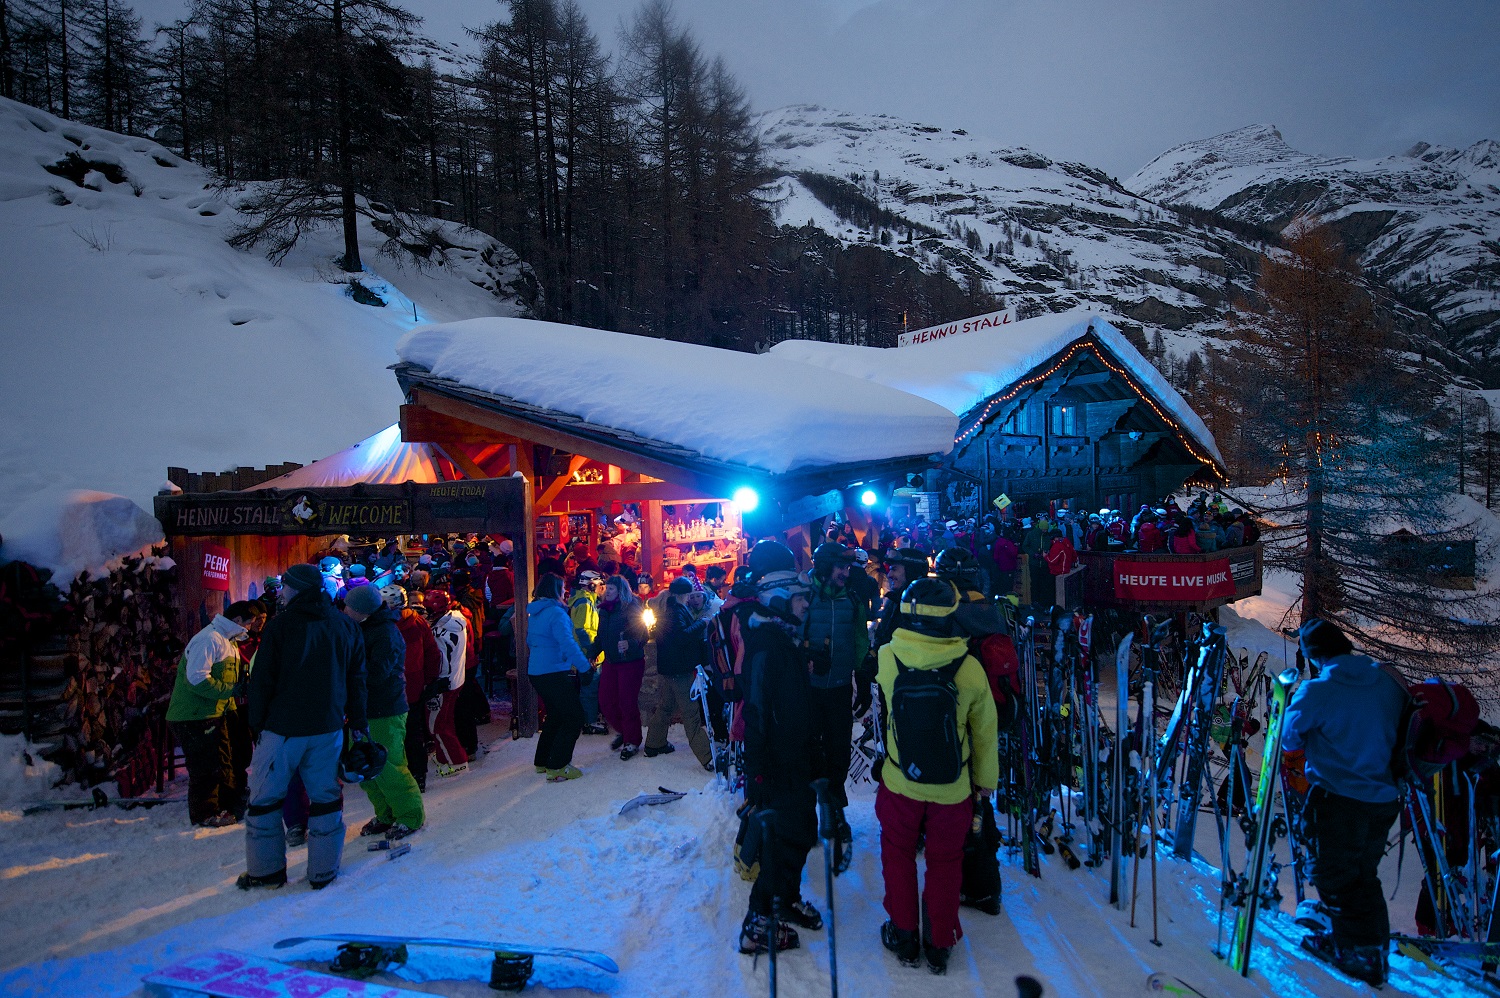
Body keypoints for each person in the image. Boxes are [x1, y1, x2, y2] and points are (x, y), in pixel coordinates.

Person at [875, 577, 999, 975]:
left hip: (900, 781)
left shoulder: (889, 657)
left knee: (897, 854)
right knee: (946, 862)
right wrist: (985, 781)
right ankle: (940, 941)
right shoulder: (969, 668)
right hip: (952, 787)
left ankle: (904, 933)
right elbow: (985, 732)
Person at [1284, 618, 1406, 988]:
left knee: (1333, 874)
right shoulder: (1386, 680)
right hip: (1384, 799)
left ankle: (1359, 955)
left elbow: (1288, 738)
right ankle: (1372, 949)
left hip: (1338, 797)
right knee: (1362, 875)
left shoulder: (1319, 690)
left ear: (1314, 655)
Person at [239, 563, 367, 891]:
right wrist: (358, 723)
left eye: (285, 586)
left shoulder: (280, 626)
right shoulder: (345, 624)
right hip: (328, 727)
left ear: (294, 588)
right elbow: (357, 679)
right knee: (326, 798)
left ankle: (266, 872)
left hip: (282, 729)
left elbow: (262, 681)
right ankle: (323, 871)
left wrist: (257, 724)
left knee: (265, 799)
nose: (282, 592)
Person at [738, 555, 823, 954]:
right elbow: (755, 711)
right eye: (799, 598)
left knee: (802, 831)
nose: (805, 605)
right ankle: (758, 922)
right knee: (781, 840)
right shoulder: (767, 646)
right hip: (776, 763)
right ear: (778, 598)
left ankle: (785, 899)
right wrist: (756, 771)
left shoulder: (785, 640)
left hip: (797, 755)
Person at [166, 601, 260, 827]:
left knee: (222, 762)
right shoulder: (209, 639)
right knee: (206, 766)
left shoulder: (228, 641)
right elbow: (196, 678)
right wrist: (230, 691)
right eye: (248, 623)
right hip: (194, 716)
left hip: (213, 713)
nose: (250, 628)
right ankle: (205, 814)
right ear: (237, 620)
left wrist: (232, 709)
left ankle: (224, 806)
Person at [341, 585, 424, 840]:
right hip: (363, 709)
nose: (345, 610)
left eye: (349, 607)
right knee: (365, 766)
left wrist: (346, 673)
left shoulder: (385, 632)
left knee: (389, 766)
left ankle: (409, 816)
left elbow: (377, 673)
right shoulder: (364, 628)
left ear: (362, 610)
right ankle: (386, 813)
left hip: (385, 709)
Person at [528, 574, 591, 781]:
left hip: (537, 671)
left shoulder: (536, 612)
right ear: (555, 589)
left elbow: (532, 641)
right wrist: (584, 668)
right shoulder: (556, 613)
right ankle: (558, 765)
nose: (565, 591)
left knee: (555, 715)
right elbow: (568, 643)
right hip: (552, 671)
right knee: (574, 717)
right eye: (562, 587)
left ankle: (543, 759)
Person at [645, 577, 714, 768]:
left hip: (669, 668)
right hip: (679, 669)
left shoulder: (667, 608)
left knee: (665, 707)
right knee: (691, 714)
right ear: (684, 594)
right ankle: (708, 757)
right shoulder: (676, 611)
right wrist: (702, 623)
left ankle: (654, 744)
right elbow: (682, 637)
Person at [386, 584, 441, 793]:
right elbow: (432, 652)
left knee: (392, 733)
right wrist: (430, 679)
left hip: (390, 687)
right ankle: (418, 775)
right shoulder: (417, 622)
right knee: (413, 731)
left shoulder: (383, 626)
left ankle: (397, 775)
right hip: (414, 685)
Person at [590, 576, 650, 759]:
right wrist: (591, 653)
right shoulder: (604, 610)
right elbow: (601, 636)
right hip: (611, 661)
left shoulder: (631, 607)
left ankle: (632, 740)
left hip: (629, 662)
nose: (607, 591)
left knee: (627, 702)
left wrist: (630, 644)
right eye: (606, 588)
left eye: (611, 589)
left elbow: (643, 634)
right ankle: (625, 731)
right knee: (606, 700)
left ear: (620, 591)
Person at [424, 589, 470, 777]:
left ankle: (456, 761)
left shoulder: (440, 632)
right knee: (444, 721)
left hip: (444, 682)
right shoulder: (456, 620)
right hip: (454, 679)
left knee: (437, 725)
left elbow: (440, 659)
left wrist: (435, 681)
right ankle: (445, 756)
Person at [570, 570, 607, 734]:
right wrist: (592, 652)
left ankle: (589, 718)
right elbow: (582, 630)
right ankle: (589, 722)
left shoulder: (586, 600)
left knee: (589, 688)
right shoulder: (585, 603)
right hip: (588, 654)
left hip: (587, 653)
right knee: (589, 689)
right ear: (591, 585)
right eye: (600, 585)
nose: (602, 588)